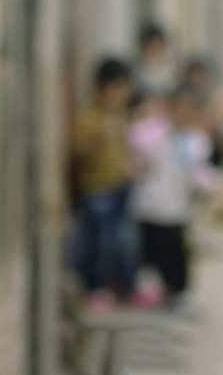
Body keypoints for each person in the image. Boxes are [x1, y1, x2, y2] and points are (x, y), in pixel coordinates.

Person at [130, 84, 222, 312]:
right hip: (150, 205)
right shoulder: (154, 132)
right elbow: (138, 144)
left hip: (176, 208)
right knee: (152, 252)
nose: (183, 113)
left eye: (189, 109)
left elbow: (197, 172)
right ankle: (156, 292)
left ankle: (181, 292)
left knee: (178, 252)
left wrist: (215, 184)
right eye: (178, 108)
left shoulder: (195, 141)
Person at [70, 56, 141, 313]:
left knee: (125, 240)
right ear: (102, 89)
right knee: (98, 242)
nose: (124, 95)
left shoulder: (119, 117)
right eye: (119, 89)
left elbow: (123, 150)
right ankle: (94, 288)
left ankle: (125, 286)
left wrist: (131, 166)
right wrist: (101, 135)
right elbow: (78, 149)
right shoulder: (89, 117)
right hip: (98, 190)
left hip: (120, 186)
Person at [135, 20, 175, 98]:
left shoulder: (174, 74)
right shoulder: (134, 74)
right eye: (151, 48)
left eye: (158, 48)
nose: (155, 53)